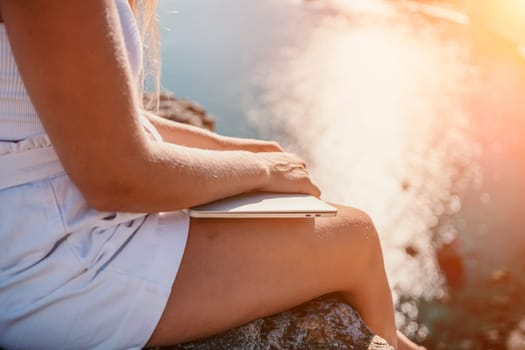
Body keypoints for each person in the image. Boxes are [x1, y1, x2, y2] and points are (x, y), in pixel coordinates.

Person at [0, 1, 422, 349]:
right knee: (355, 240)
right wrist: (259, 169)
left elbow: (96, 116)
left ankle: (397, 341)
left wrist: (235, 150)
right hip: (43, 263)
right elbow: (116, 177)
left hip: (40, 224)